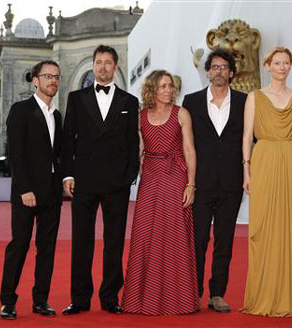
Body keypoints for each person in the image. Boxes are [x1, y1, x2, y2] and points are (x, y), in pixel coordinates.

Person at [61, 45, 139, 315]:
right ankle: (80, 299)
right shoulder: (76, 98)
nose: (103, 67)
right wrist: (68, 174)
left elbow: (132, 143)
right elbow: (67, 141)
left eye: (108, 62)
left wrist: (130, 175)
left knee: (114, 241)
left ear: (115, 67)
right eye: (98, 62)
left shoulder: (129, 102)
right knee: (81, 241)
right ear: (93, 66)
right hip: (83, 181)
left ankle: (110, 298)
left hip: (116, 183)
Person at [239, 47, 292, 317]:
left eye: (286, 62)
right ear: (267, 66)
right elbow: (247, 136)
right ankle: (262, 294)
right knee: (262, 225)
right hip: (264, 159)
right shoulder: (255, 97)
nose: (282, 67)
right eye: (277, 62)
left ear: (291, 66)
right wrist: (246, 171)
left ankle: (285, 297)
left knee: (290, 227)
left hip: (291, 160)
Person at [122, 70, 199, 315]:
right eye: (163, 86)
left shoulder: (181, 114)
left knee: (174, 235)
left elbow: (189, 150)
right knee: (146, 234)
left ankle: (181, 300)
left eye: (170, 86)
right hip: (150, 178)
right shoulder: (141, 116)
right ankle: (140, 299)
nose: (168, 90)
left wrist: (190, 184)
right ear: (152, 89)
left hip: (175, 176)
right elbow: (140, 150)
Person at [182, 48, 247, 312]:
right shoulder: (192, 101)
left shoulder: (245, 102)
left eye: (224, 67)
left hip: (232, 183)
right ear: (208, 72)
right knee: (197, 241)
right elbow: (184, 144)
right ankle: (193, 292)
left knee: (225, 241)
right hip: (201, 183)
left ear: (232, 73)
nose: (219, 71)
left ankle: (217, 293)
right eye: (215, 67)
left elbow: (253, 138)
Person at [0, 60, 63, 320]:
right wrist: (25, 189)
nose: (53, 81)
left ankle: (40, 300)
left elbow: (56, 156)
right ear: (35, 80)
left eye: (57, 77)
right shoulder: (20, 110)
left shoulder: (57, 116)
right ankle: (7, 301)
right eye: (48, 76)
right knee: (20, 245)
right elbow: (16, 152)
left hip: (51, 193)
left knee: (47, 248)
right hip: (26, 192)